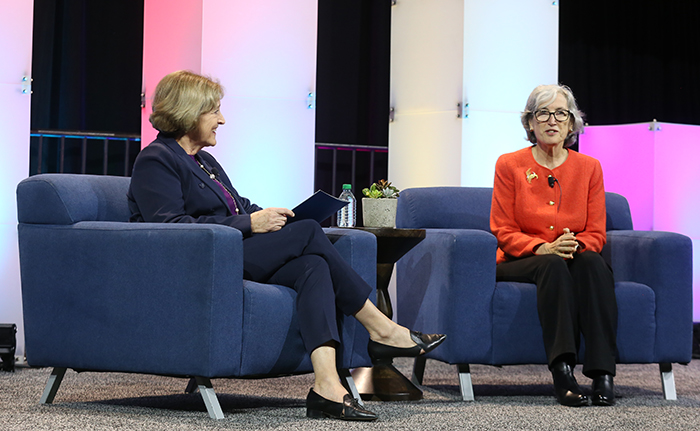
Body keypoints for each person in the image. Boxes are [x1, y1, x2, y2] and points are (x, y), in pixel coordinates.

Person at [127, 70, 446, 421]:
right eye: (213, 111)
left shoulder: (205, 161)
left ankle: (327, 386)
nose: (222, 119)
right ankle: (381, 327)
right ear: (188, 112)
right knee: (309, 231)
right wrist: (251, 223)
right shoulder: (156, 159)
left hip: (233, 252)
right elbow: (170, 226)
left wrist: (268, 216)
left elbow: (236, 206)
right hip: (201, 263)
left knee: (314, 267)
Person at [489, 84, 617, 407]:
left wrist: (572, 246)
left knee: (593, 264)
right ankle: (562, 372)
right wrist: (542, 248)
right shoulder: (509, 165)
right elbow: (502, 230)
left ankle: (603, 374)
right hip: (523, 259)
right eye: (542, 113)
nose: (552, 120)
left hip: (571, 254)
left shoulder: (590, 168)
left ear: (571, 124)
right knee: (551, 264)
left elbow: (596, 233)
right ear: (530, 123)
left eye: (561, 113)